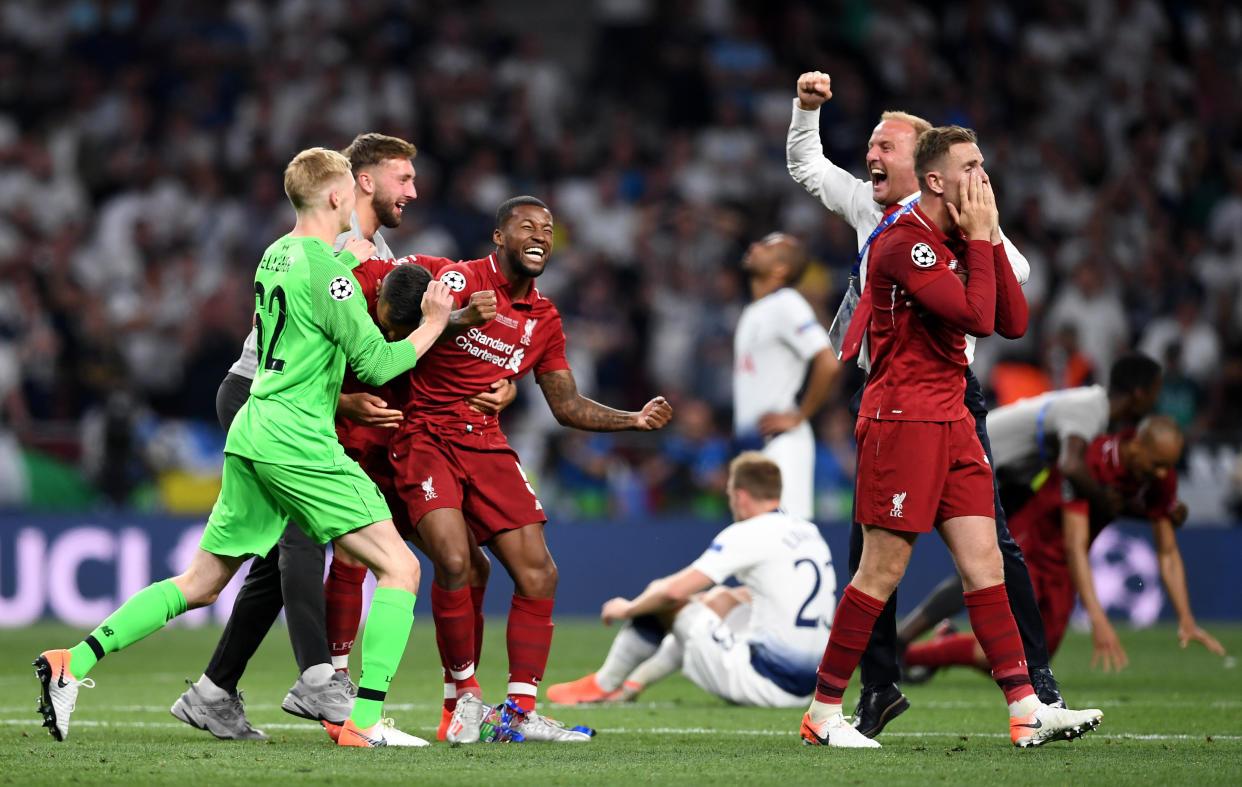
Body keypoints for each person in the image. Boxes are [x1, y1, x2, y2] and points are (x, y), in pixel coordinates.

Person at [36, 146, 454, 747]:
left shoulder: (274, 255)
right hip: (298, 438)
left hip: (253, 428)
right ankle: (361, 720)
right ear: (339, 195)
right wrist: (435, 320)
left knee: (202, 581)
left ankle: (70, 663)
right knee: (402, 566)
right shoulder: (328, 270)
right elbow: (379, 360)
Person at [170, 133, 511, 741]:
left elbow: (357, 338)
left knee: (277, 558)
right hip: (268, 397)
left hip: (301, 402)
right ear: (361, 182)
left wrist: (478, 361)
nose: (412, 190)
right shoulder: (339, 251)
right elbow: (330, 345)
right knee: (301, 538)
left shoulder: (367, 247)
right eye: (402, 179)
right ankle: (323, 683)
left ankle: (214, 690)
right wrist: (347, 394)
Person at [799, 125, 1101, 749]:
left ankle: (1026, 708)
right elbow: (973, 318)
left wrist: (984, 236)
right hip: (902, 419)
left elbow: (1013, 321)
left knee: (985, 562)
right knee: (881, 569)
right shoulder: (904, 240)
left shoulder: (963, 237)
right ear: (936, 180)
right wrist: (985, 240)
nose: (984, 177)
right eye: (972, 166)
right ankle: (824, 711)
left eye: (984, 164)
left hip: (955, 420)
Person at [395, 196, 673, 744]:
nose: (539, 234)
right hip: (424, 434)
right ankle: (466, 697)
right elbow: (391, 311)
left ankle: (519, 711)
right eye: (526, 226)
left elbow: (566, 407)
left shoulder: (543, 318)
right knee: (455, 561)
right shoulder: (455, 279)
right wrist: (454, 321)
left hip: (486, 445)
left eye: (547, 228)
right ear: (499, 237)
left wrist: (633, 421)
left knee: (539, 574)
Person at [903, 416, 1226, 676]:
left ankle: (925, 651)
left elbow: (1167, 550)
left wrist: (1186, 618)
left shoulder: (1159, 477)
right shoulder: (1093, 460)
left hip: (1064, 566)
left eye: (1167, 466)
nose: (1161, 473)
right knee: (1015, 652)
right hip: (1031, 543)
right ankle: (903, 654)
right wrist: (1098, 619)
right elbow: (1074, 543)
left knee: (1029, 663)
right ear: (1137, 444)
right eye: (1156, 464)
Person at [896, 352, 1164, 655]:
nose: (1157, 399)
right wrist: (1104, 499)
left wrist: (1144, 510)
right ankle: (901, 644)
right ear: (1140, 392)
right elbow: (1072, 466)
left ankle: (912, 643)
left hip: (998, 474)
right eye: (1156, 390)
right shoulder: (1091, 410)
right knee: (983, 566)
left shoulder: (1091, 407)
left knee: (984, 567)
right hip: (970, 465)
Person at [545, 452, 836, 708]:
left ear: (741, 495)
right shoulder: (806, 530)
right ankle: (633, 684)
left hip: (766, 682)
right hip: (808, 687)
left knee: (664, 599)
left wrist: (628, 608)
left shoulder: (748, 531)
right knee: (720, 597)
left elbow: (672, 592)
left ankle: (604, 684)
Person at [733, 234, 840, 521]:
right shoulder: (754, 310)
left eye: (767, 246)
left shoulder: (786, 303)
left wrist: (800, 416)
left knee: (788, 540)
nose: (754, 245)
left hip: (781, 444)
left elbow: (828, 360)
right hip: (754, 448)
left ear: (780, 269)